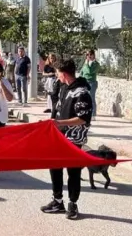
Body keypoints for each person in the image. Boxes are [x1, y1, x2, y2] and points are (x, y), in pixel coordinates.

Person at [41, 59, 93, 220]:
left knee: (73, 171)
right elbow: (57, 109)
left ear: (63, 74)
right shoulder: (64, 88)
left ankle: (73, 204)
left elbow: (83, 118)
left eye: (57, 73)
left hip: (73, 138)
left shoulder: (82, 92)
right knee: (54, 167)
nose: (56, 76)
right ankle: (57, 201)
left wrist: (60, 123)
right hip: (58, 136)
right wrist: (51, 123)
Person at [79, 49, 100, 117]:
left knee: (91, 98)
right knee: (83, 98)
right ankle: (85, 112)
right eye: (87, 54)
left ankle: (93, 114)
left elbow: (90, 71)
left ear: (93, 55)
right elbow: (81, 72)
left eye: (90, 54)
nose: (89, 56)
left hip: (92, 83)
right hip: (84, 82)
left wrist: (87, 64)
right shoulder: (85, 63)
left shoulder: (96, 64)